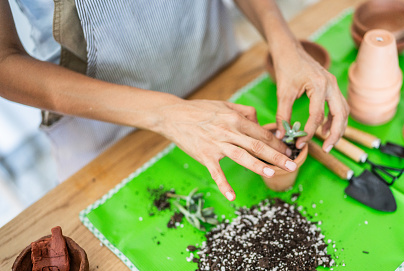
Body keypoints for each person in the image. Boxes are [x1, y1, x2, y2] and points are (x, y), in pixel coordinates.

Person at [0, 0, 349, 201]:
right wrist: (167, 114)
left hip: (211, 65)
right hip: (102, 125)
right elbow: (4, 64)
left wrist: (282, 39)